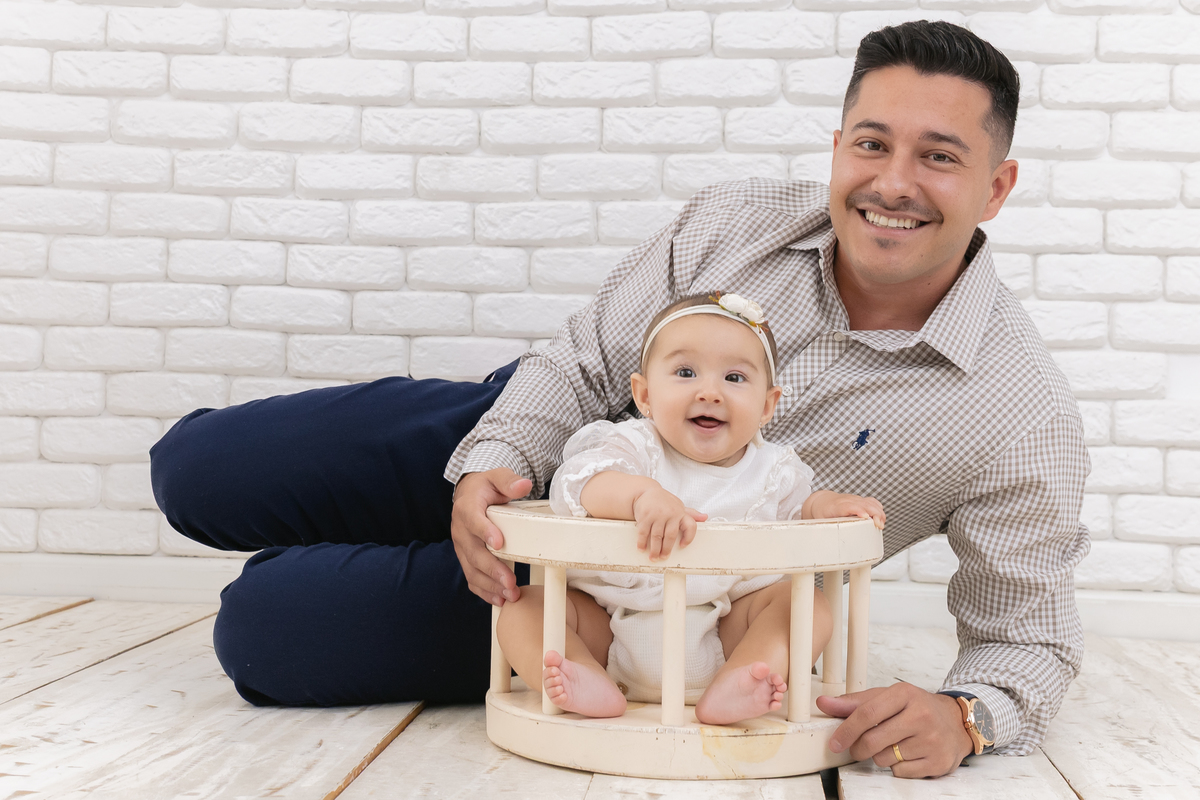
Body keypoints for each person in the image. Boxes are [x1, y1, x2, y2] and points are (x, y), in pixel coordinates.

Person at [150, 20, 1090, 779]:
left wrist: (969, 716)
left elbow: (1029, 637)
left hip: (612, 600)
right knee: (197, 468)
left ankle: (345, 574)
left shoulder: (1019, 410)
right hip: (547, 434)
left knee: (264, 628)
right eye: (871, 144)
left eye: (938, 157)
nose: (892, 183)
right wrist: (494, 462)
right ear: (837, 147)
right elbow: (585, 358)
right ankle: (419, 507)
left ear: (996, 187)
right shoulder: (738, 220)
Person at [496, 293, 885, 723]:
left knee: (808, 606)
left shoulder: (774, 469)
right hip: (608, 627)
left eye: (735, 378)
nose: (710, 392)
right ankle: (581, 674)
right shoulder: (636, 446)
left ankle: (746, 676)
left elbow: (802, 511)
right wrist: (640, 495)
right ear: (643, 394)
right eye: (685, 372)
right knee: (524, 609)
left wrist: (829, 505)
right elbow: (579, 483)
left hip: (727, 631)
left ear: (767, 406)